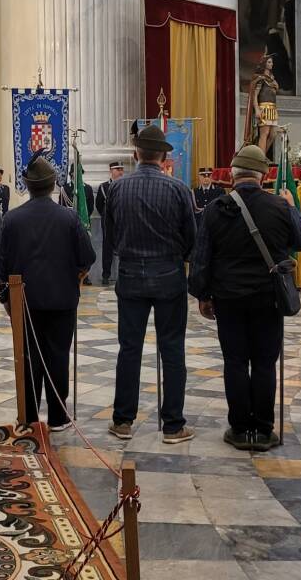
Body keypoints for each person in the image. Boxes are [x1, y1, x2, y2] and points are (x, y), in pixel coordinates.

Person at [189, 145, 301, 451]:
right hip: (268, 299)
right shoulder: (279, 206)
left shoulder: (216, 209)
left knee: (234, 361)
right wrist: (292, 207)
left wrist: (203, 295)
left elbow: (201, 258)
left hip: (228, 300)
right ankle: (264, 428)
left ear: (232, 175)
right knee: (265, 362)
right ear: (263, 175)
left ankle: (240, 428)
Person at [0, 151, 95, 431]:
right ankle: (59, 417)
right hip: (61, 300)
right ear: (52, 185)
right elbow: (87, 258)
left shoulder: (11, 220)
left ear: (27, 184)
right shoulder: (69, 218)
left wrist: (6, 300)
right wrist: (74, 278)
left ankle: (27, 418)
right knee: (58, 355)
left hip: (23, 301)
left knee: (27, 358)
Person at [107, 124, 196, 444]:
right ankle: (173, 425)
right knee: (172, 350)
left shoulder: (117, 188)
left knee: (129, 349)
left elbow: (112, 234)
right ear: (163, 156)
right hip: (169, 277)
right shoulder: (179, 190)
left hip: (130, 276)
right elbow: (191, 238)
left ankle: (122, 421)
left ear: (135, 154)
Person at [244, 53, 279, 155]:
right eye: (269, 62)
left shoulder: (272, 78)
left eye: (272, 62)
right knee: (264, 134)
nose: (271, 64)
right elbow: (255, 95)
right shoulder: (260, 78)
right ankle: (261, 158)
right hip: (264, 108)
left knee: (273, 135)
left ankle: (261, 156)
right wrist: (257, 109)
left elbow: (274, 91)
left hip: (273, 108)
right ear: (264, 63)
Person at [95, 162, 124, 285]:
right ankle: (106, 274)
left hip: (123, 221)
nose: (121, 172)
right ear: (111, 171)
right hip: (108, 223)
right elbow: (99, 205)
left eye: (122, 169)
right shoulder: (104, 187)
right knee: (107, 249)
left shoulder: (125, 185)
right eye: (118, 169)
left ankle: (124, 274)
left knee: (123, 248)